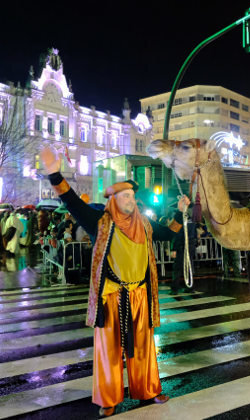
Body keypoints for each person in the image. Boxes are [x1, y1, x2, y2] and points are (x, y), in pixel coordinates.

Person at [40, 146, 188, 416]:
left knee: (143, 347)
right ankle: (109, 399)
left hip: (141, 295)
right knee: (108, 351)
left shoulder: (144, 223)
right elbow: (72, 202)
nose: (132, 200)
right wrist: (54, 174)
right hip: (111, 296)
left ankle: (148, 391)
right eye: (126, 196)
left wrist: (180, 213)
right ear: (114, 199)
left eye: (133, 195)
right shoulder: (99, 221)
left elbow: (170, 234)